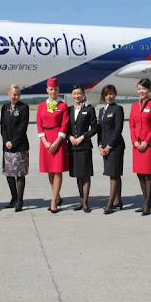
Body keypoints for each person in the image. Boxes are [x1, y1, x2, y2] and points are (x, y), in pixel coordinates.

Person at [36, 77, 70, 213]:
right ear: (47, 90)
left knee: (57, 170)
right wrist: (44, 141)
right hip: (46, 140)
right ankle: (57, 196)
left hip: (58, 140)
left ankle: (53, 200)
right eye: (51, 89)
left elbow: (64, 124)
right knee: (50, 170)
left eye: (55, 89)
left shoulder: (63, 105)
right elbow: (39, 124)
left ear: (58, 90)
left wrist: (57, 142)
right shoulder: (41, 106)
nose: (53, 91)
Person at [129, 78, 151, 216]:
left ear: (149, 90)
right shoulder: (134, 106)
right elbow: (131, 125)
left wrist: (146, 142)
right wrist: (135, 141)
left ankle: (147, 203)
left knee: (147, 175)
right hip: (137, 145)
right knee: (140, 174)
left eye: (144, 89)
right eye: (139, 89)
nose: (141, 91)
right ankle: (145, 201)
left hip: (148, 145)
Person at [68, 84, 98, 213]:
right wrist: (70, 137)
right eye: (74, 93)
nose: (77, 96)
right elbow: (66, 127)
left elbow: (95, 128)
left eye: (79, 93)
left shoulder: (89, 109)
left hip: (84, 146)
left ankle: (85, 201)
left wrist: (82, 137)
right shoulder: (69, 110)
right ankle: (81, 200)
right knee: (78, 175)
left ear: (83, 95)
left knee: (85, 174)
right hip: (73, 146)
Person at [0, 84, 30, 212]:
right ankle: (14, 197)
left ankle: (20, 201)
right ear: (9, 94)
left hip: (20, 146)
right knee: (9, 173)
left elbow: (22, 128)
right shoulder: (5, 108)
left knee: (19, 174)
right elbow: (3, 126)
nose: (16, 96)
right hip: (7, 146)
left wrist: (13, 142)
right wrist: (6, 141)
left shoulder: (24, 107)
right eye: (14, 94)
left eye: (18, 94)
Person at [98, 85, 125, 215]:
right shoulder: (102, 110)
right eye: (106, 94)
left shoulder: (118, 109)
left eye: (111, 94)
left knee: (114, 174)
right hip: (104, 147)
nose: (109, 96)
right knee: (113, 173)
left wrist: (109, 146)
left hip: (115, 147)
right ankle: (118, 201)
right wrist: (100, 145)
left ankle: (110, 203)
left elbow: (118, 130)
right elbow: (100, 130)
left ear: (115, 94)